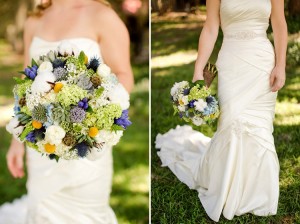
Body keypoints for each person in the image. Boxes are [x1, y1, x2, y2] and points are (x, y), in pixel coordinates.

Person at [0, 0, 134, 223]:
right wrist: (17, 140)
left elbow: (123, 73)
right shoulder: (35, 20)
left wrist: (97, 111)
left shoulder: (102, 16)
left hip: (86, 139)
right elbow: (26, 84)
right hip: (42, 143)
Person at [155, 0, 287, 222]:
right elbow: (210, 27)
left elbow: (279, 23)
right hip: (232, 61)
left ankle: (258, 190)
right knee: (231, 123)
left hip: (262, 62)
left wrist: (281, 65)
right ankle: (226, 186)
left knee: (260, 127)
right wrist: (199, 68)